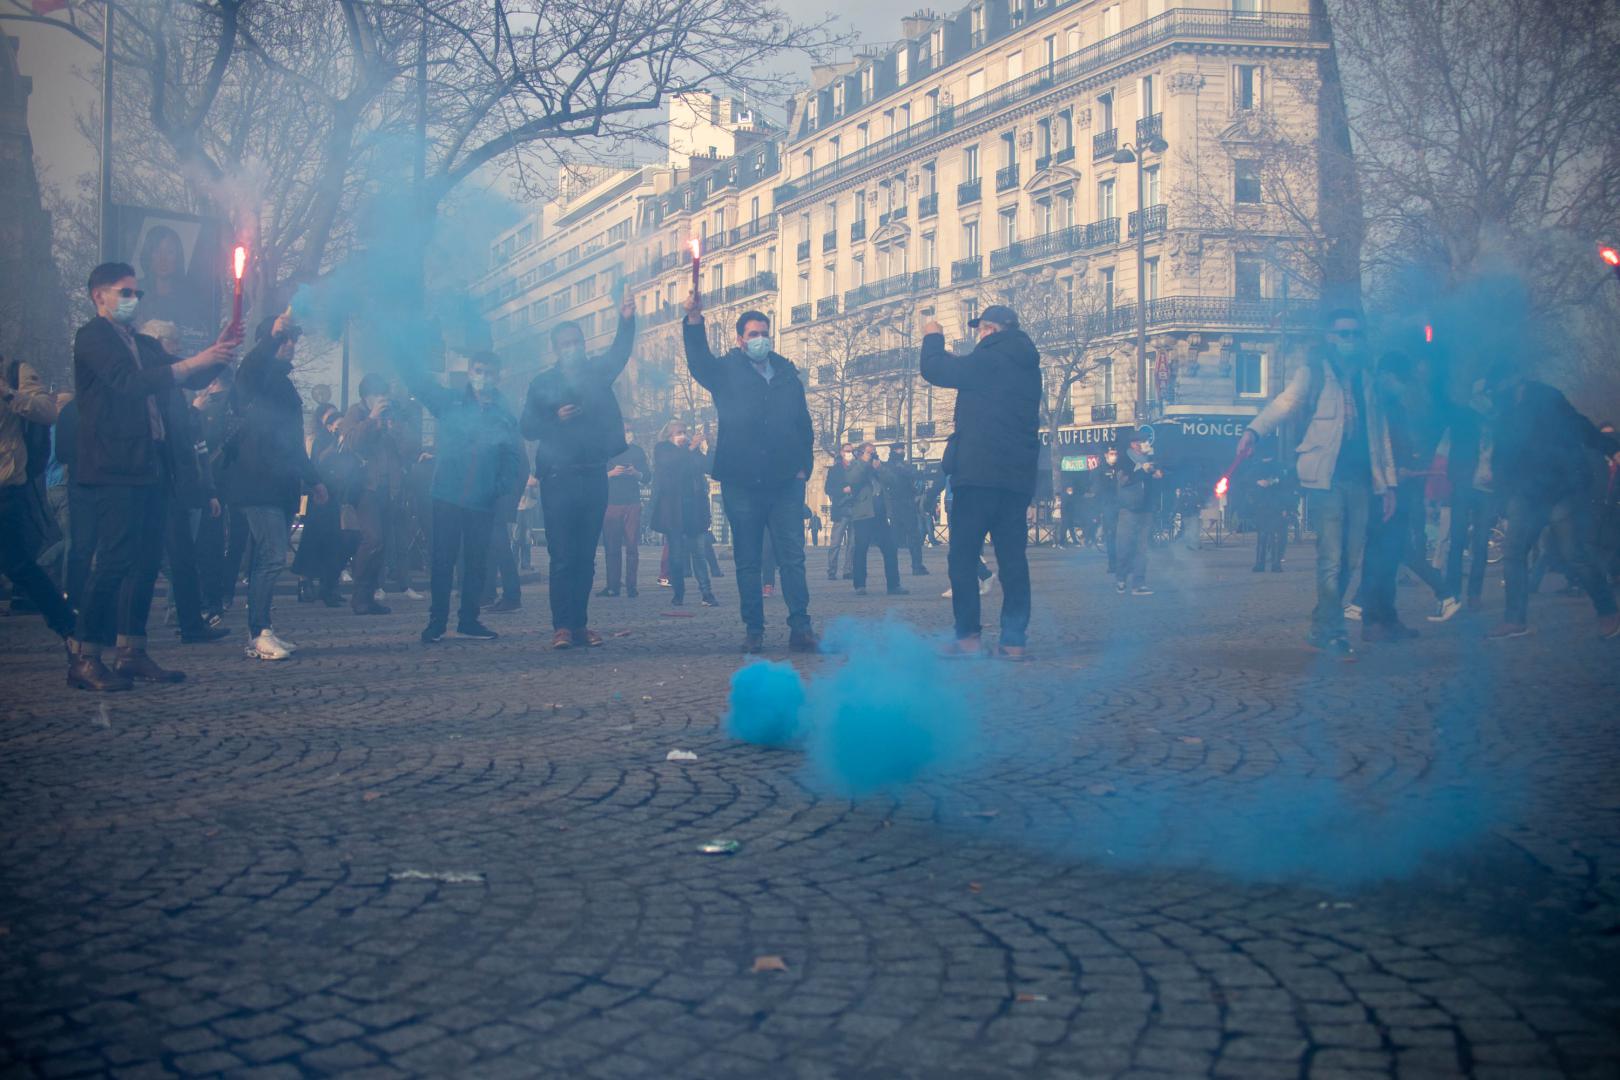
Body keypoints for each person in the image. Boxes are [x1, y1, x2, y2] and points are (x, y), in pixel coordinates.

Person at [67, 261, 236, 690]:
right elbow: (129, 383)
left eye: (136, 293)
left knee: (144, 563)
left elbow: (190, 375)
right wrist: (196, 361)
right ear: (99, 296)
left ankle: (132, 651)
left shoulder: (143, 343)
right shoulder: (93, 337)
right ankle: (85, 655)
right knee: (114, 560)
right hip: (114, 466)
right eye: (124, 292)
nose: (133, 299)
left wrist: (220, 352)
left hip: (151, 466)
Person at [1239, 308, 1398, 657]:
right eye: (1344, 334)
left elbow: (1380, 433)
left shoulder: (1368, 377)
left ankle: (1321, 625)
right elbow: (1285, 403)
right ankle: (1334, 632)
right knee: (1331, 557)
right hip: (1325, 478)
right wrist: (1254, 430)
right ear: (1330, 337)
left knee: (1350, 559)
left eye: (1355, 333)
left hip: (1362, 479)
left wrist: (1389, 484)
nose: (1350, 340)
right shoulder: (1313, 373)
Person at [682, 294, 819, 654]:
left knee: (792, 557)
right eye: (753, 334)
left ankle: (801, 627)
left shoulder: (787, 374)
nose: (760, 339)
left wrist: (804, 466)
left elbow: (803, 424)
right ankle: (754, 630)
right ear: (740, 339)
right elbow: (699, 362)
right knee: (748, 560)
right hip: (742, 480)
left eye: (764, 333)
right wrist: (694, 321)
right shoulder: (726, 371)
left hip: (785, 481)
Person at [920, 304, 1041, 659]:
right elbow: (987, 384)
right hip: (1016, 477)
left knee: (963, 557)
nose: (978, 336)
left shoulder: (988, 359)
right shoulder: (1027, 364)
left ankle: (968, 638)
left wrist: (933, 337)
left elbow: (934, 369)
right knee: (1013, 559)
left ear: (990, 330)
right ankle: (1014, 641)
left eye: (981, 330)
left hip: (977, 474)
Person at [522, 293, 637, 649]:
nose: (572, 348)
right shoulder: (542, 383)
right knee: (562, 556)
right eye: (565, 344)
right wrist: (553, 417)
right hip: (558, 477)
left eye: (577, 342)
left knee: (586, 557)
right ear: (555, 349)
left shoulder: (596, 373)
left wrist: (626, 320)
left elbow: (620, 352)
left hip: (592, 474)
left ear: (584, 344)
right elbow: (527, 426)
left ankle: (580, 624)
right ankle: (562, 626)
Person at [225, 312, 330, 661]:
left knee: (268, 557)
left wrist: (313, 479)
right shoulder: (256, 375)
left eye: (292, 340)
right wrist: (271, 335)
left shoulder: (284, 384)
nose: (290, 345)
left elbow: (294, 443)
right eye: (283, 340)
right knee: (271, 556)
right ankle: (258, 632)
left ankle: (262, 628)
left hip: (281, 484)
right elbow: (250, 370)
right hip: (257, 483)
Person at [1486, 369, 1619, 640]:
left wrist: (1611, 448)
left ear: (1514, 379)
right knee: (1513, 553)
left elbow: (1578, 425)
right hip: (1526, 493)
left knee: (1574, 554)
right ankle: (1514, 620)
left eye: (1496, 386)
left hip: (1562, 488)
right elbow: (1500, 456)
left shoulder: (1547, 397)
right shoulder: (1503, 412)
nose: (1494, 393)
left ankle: (1608, 612)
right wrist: (1501, 496)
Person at [403, 350, 523, 644]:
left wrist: (499, 486)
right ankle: (437, 622)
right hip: (447, 494)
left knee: (476, 563)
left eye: (489, 372)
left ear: (498, 376)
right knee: (442, 561)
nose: (483, 377)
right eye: (478, 370)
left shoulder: (504, 414)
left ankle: (469, 620)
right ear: (470, 372)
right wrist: (403, 350)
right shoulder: (451, 401)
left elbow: (513, 456)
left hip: (482, 500)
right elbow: (419, 385)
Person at [138, 320, 229, 644]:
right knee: (147, 556)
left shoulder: (170, 386)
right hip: (155, 478)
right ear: (158, 343)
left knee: (181, 555)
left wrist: (220, 352)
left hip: (173, 480)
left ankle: (190, 622)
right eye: (174, 341)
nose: (178, 347)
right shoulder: (152, 383)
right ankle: (125, 628)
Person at [0, 353, 76, 648]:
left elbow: (47, 412)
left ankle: (70, 629)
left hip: (6, 488)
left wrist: (9, 393)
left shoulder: (15, 372)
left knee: (18, 565)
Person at [338, 373, 411, 615]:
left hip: (389, 488)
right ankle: (359, 597)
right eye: (378, 395)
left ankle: (369, 597)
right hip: (365, 487)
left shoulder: (391, 416)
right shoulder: (356, 414)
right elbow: (352, 442)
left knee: (382, 545)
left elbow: (406, 449)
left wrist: (394, 428)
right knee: (373, 539)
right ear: (366, 397)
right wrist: (372, 419)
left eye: (384, 395)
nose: (383, 400)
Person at [649, 420, 719, 608]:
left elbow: (707, 467)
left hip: (694, 509)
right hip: (674, 509)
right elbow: (670, 463)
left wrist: (711, 446)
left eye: (684, 431)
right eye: (678, 432)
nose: (683, 435)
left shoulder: (691, 450)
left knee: (699, 553)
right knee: (676, 555)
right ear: (668, 435)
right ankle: (678, 593)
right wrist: (690, 448)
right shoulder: (662, 449)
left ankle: (706, 592)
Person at [290, 403, 349, 607]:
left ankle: (328, 585)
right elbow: (317, 464)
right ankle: (305, 582)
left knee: (333, 542)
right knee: (312, 539)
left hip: (335, 496)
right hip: (318, 495)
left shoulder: (342, 441)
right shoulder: (319, 440)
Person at [847, 442, 905, 596]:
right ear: (861, 453)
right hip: (863, 514)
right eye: (869, 452)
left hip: (880, 514)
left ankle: (894, 585)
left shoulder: (879, 466)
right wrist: (864, 463)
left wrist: (880, 469)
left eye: (874, 452)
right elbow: (852, 479)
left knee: (890, 548)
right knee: (861, 549)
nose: (873, 454)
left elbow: (893, 481)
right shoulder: (855, 465)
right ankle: (860, 585)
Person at [599, 423, 648, 598]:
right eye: (625, 430)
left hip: (632, 503)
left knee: (632, 546)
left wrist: (635, 473)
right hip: (611, 503)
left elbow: (647, 477)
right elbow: (594, 476)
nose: (628, 433)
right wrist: (611, 473)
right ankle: (613, 586)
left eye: (630, 430)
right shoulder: (606, 451)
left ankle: (631, 586)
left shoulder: (638, 451)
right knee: (612, 547)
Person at [1114, 436, 1162, 595]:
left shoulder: (1150, 460)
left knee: (1143, 548)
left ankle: (1138, 583)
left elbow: (1156, 481)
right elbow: (1124, 481)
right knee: (1125, 546)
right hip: (1129, 509)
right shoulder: (1124, 460)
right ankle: (1121, 579)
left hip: (1146, 509)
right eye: (1141, 442)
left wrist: (1156, 471)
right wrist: (1143, 470)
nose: (1144, 444)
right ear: (1134, 444)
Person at [883, 442, 929, 575]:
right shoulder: (897, 466)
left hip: (903, 504)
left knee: (906, 536)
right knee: (905, 536)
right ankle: (915, 565)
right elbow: (912, 475)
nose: (902, 451)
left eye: (902, 449)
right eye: (900, 449)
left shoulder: (896, 465)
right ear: (894, 451)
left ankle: (913, 565)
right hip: (900, 504)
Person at [1248, 444, 1293, 572]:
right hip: (1266, 505)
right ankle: (1266, 564)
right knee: (1266, 536)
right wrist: (1257, 482)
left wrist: (1270, 482)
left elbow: (1285, 487)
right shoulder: (1260, 467)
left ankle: (1271, 564)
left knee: (1273, 536)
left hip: (1274, 506)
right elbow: (1246, 481)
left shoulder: (1275, 468)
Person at [824, 445, 854, 580]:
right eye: (847, 451)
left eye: (851, 451)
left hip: (855, 509)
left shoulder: (857, 468)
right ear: (842, 453)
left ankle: (848, 570)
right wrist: (843, 490)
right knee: (835, 542)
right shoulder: (835, 470)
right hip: (841, 509)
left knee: (853, 544)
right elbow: (828, 489)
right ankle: (832, 570)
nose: (850, 453)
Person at [1096, 447, 1122, 572]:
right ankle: (1113, 564)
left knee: (1123, 537)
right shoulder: (1099, 470)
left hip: (1122, 507)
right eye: (1112, 453)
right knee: (1111, 537)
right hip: (1108, 508)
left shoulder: (1121, 468)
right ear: (1106, 455)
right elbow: (1098, 490)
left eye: (1116, 453)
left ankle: (1123, 563)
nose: (1114, 456)